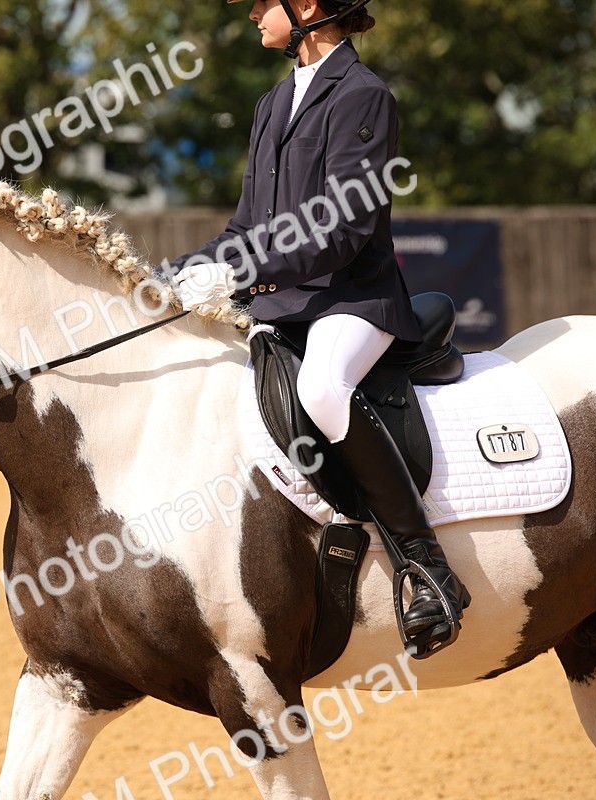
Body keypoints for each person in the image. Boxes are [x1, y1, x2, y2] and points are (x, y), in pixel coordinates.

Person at [170, 0, 470, 654]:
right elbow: (244, 228)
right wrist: (174, 273)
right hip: (285, 304)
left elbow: (341, 232)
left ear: (306, 6)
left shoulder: (364, 96)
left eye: (260, 2)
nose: (251, 13)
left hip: (353, 302)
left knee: (323, 390)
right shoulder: (272, 104)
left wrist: (244, 277)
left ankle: (427, 567)